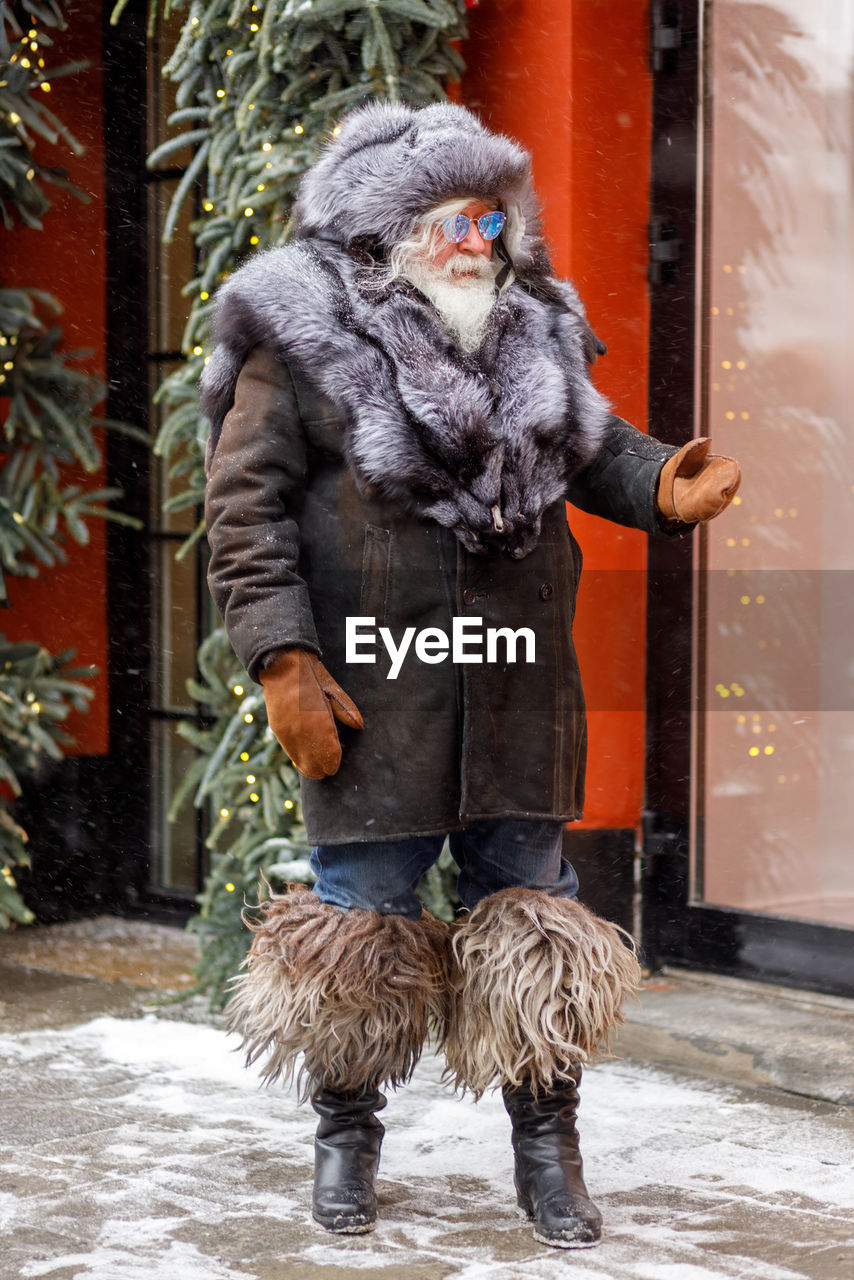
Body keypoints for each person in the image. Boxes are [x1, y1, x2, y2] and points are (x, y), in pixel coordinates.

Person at [201, 101, 740, 1249]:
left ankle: (547, 1150)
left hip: (514, 688)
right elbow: (241, 515)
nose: (472, 240)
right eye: (445, 218)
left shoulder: (533, 324)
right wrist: (283, 658)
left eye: (487, 216)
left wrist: (663, 485)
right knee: (358, 928)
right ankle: (346, 1136)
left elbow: (593, 449)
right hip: (368, 692)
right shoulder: (294, 340)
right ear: (380, 229)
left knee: (535, 918)